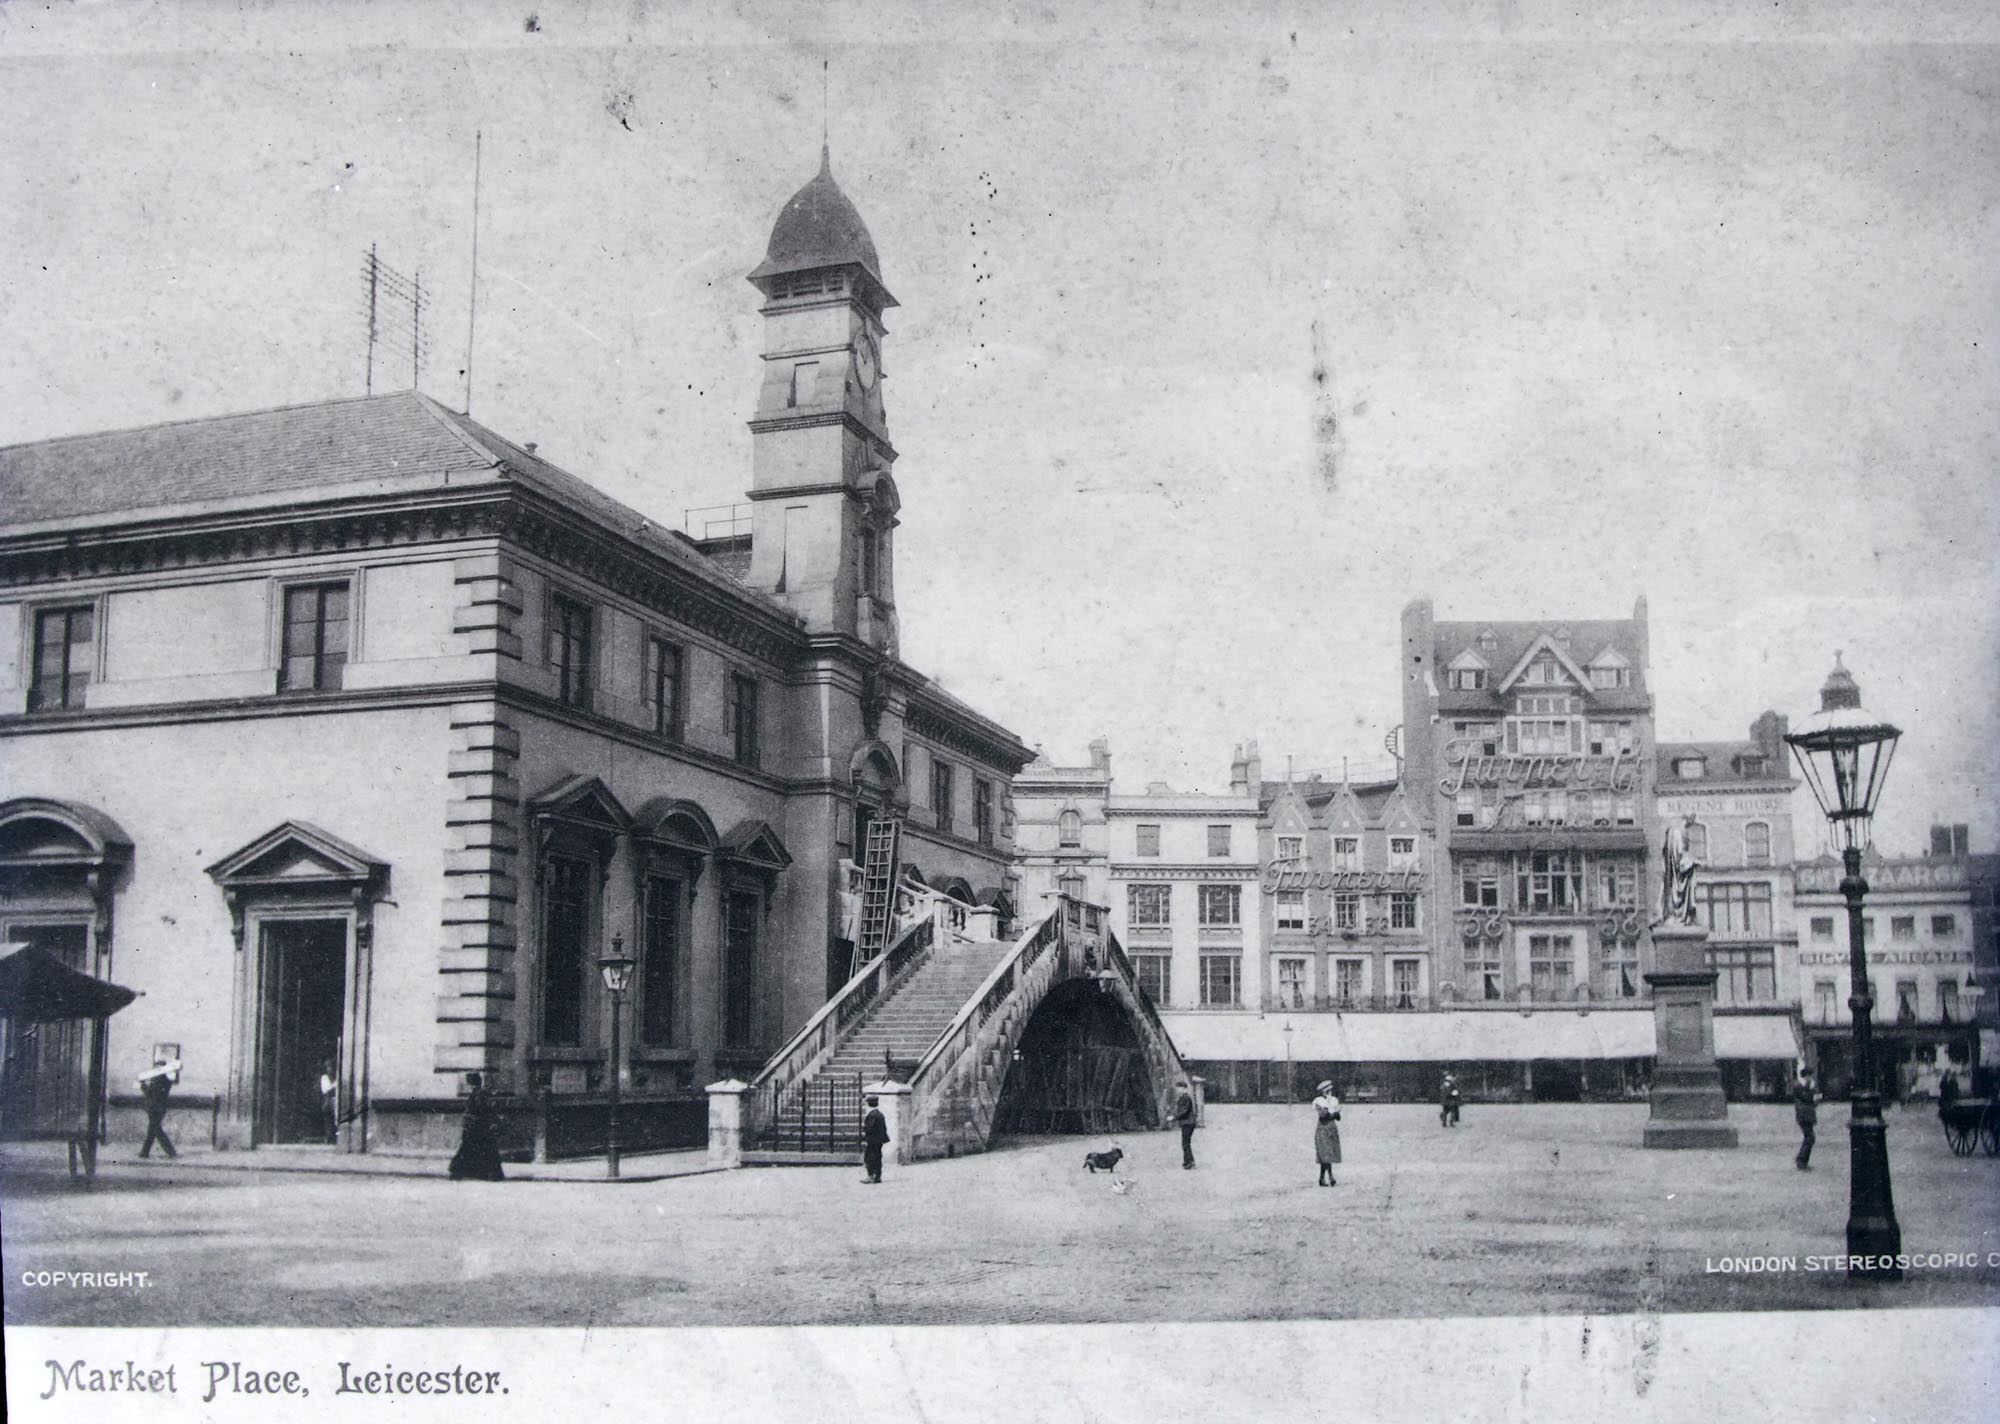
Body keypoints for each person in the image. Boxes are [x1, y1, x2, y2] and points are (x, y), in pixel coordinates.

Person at [447, 1072, 505, 1181]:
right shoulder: (479, 1093)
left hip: (477, 1127)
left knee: (469, 1149)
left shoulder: (478, 1094)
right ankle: (489, 1173)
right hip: (480, 1127)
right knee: (484, 1150)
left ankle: (459, 1171)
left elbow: (479, 1110)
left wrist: (469, 1122)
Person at [136, 1058, 178, 1159]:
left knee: (156, 1130)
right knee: (153, 1130)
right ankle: (144, 1152)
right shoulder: (164, 1080)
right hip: (157, 1108)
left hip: (155, 1108)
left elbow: (150, 1094)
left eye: (158, 1067)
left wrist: (142, 1086)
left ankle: (170, 1152)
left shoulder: (159, 1080)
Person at [1311, 1080, 1342, 1186]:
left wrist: (1333, 1113)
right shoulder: (1318, 1101)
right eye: (1327, 1091)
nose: (1329, 1093)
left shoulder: (1333, 1101)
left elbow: (1338, 1117)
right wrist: (1333, 1113)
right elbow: (1324, 1116)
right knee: (1325, 1153)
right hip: (1323, 1129)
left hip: (1331, 1128)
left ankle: (1322, 1178)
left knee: (1327, 1154)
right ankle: (1330, 1176)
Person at [1792, 1067, 1819, 1171]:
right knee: (1810, 1138)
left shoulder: (1810, 1086)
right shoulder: (1799, 1086)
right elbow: (1808, 1098)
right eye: (1809, 1076)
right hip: (1803, 1115)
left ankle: (1802, 1160)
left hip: (1809, 1115)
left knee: (1810, 1138)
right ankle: (1801, 1160)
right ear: (1806, 1076)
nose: (1810, 1078)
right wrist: (1813, 1092)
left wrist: (1815, 1096)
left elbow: (1817, 1098)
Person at [861, 1094, 889, 1184]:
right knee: (878, 1157)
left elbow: (870, 1128)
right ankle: (877, 1176)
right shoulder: (880, 1114)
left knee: (869, 1158)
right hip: (879, 1140)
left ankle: (870, 1176)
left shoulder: (872, 1115)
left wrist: (865, 1130)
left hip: (872, 1140)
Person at [1172, 1080, 1197, 1170]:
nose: (1177, 1090)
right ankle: (1189, 1160)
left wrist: (1174, 1118)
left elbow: (1184, 1111)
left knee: (1185, 1143)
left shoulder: (1186, 1097)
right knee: (1186, 1143)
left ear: (1183, 1088)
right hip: (1188, 1123)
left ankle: (1189, 1162)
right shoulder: (1185, 1097)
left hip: (1187, 1123)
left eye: (1179, 1088)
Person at [319, 1059, 339, 1145]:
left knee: (336, 1120)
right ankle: (329, 1138)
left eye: (331, 1067)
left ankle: (335, 1139)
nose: (330, 1069)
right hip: (329, 1101)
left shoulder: (337, 1076)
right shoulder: (325, 1077)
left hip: (336, 1101)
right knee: (329, 1121)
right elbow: (325, 1089)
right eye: (328, 1067)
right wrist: (335, 1085)